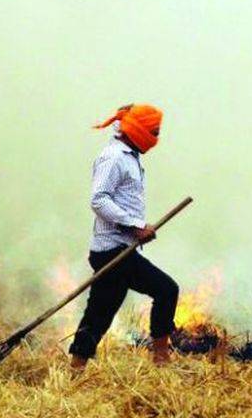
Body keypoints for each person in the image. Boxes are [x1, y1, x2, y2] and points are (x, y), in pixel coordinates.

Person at [68, 103, 179, 371]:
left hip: (119, 249)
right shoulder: (114, 157)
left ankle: (76, 368)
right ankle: (161, 360)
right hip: (113, 251)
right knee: (166, 290)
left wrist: (136, 229)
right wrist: (135, 225)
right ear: (139, 130)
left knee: (100, 312)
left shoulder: (129, 155)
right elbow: (98, 200)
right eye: (154, 131)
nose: (156, 137)